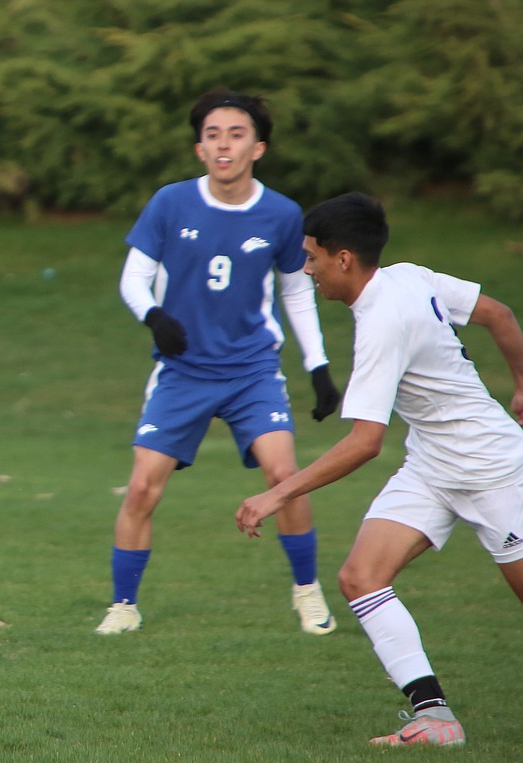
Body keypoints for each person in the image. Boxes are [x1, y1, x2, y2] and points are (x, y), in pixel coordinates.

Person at [236, 192, 523, 746]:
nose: (307, 269)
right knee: (360, 577)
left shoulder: (381, 322)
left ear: (344, 258)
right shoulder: (407, 276)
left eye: (313, 257)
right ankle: (436, 721)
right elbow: (498, 313)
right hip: (432, 463)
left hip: (491, 468)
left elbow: (364, 443)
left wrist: (277, 494)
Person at [95, 88, 342, 636]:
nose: (223, 144)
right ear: (199, 148)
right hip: (182, 372)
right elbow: (133, 278)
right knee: (141, 488)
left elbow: (296, 293)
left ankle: (307, 592)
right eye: (213, 135)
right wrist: (155, 316)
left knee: (286, 476)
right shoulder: (170, 202)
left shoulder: (280, 213)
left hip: (252, 371)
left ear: (258, 147)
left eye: (236, 134)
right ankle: (123, 607)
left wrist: (318, 367)